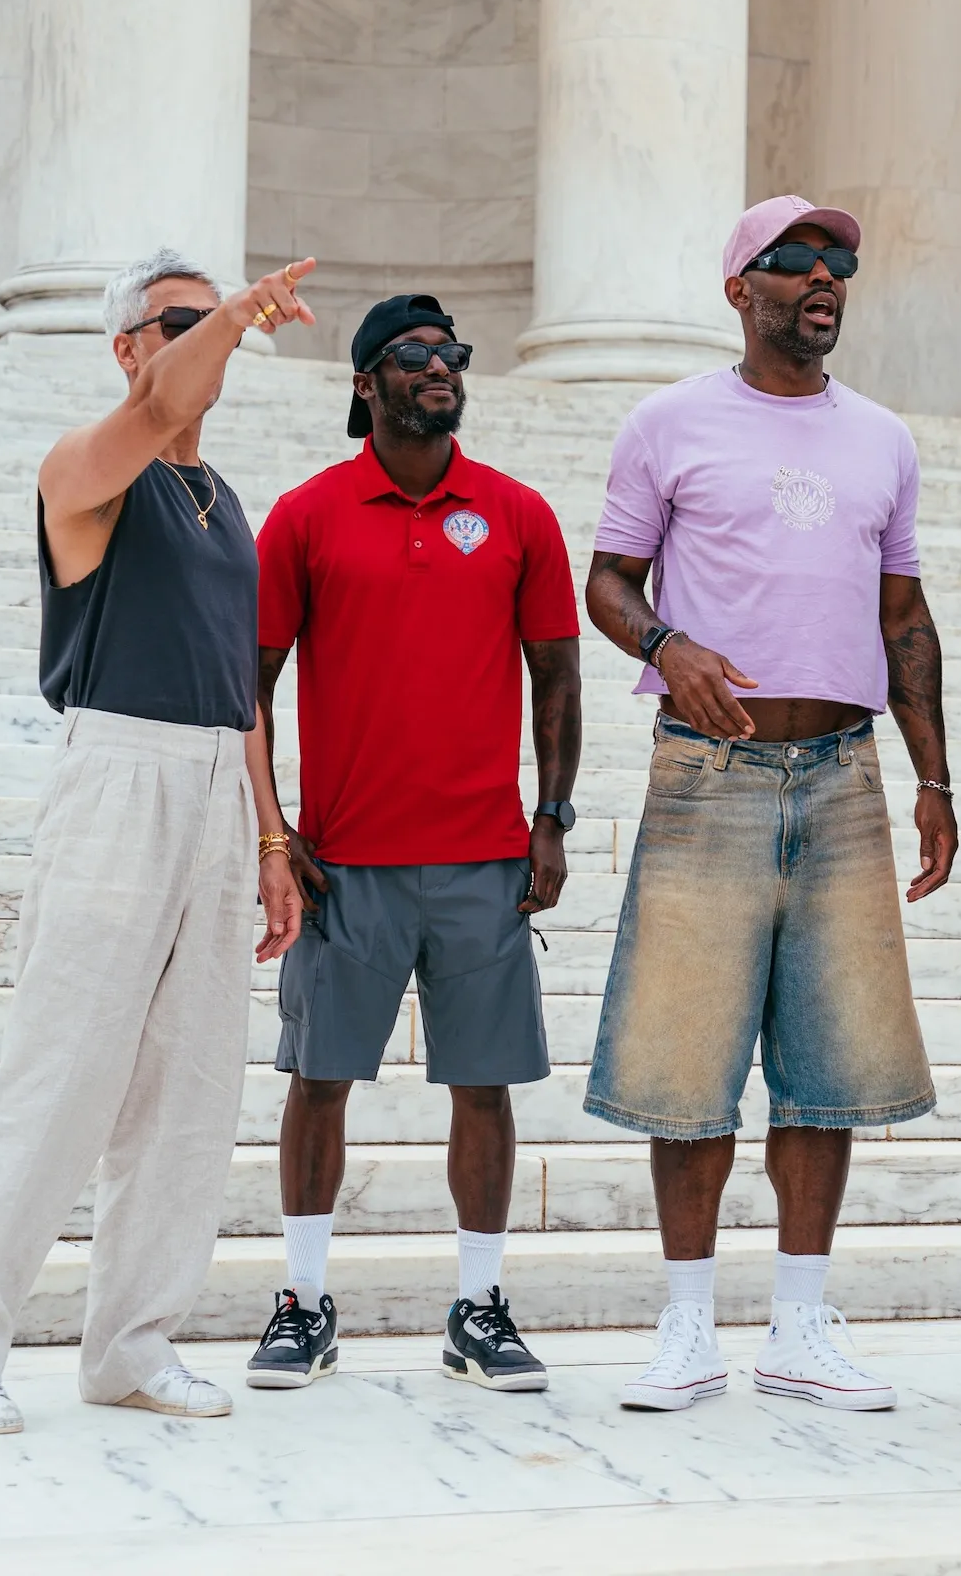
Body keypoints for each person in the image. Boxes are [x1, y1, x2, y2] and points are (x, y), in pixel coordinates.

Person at [0, 249, 317, 1434]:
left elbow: (243, 689)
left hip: (215, 788)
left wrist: (271, 839)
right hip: (119, 773)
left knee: (190, 1087)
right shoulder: (88, 470)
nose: (210, 337)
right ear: (129, 346)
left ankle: (132, 1344)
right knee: (62, 1067)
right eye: (182, 321)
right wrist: (235, 313)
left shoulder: (224, 501)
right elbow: (155, 411)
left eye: (215, 320)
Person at [583, 195, 954, 1414]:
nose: (825, 278)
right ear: (741, 289)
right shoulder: (668, 422)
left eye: (840, 263)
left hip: (844, 774)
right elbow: (608, 581)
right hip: (709, 772)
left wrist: (934, 776)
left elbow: (904, 617)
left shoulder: (883, 439)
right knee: (687, 1061)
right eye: (797, 261)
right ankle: (686, 1326)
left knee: (829, 1064)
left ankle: (799, 1326)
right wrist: (668, 644)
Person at [242, 295, 583, 1395]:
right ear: (364, 383)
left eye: (452, 353)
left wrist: (552, 816)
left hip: (484, 859)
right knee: (319, 1080)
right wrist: (273, 830)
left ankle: (479, 1309)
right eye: (413, 355)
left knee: (484, 1087)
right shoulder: (307, 515)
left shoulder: (518, 513)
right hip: (345, 863)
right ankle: (303, 1303)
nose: (440, 367)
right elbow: (249, 683)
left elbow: (557, 675)